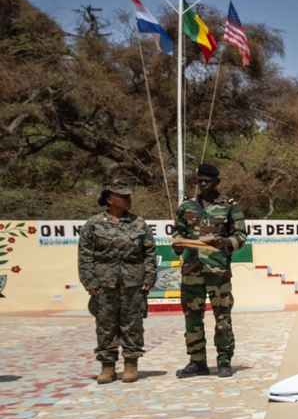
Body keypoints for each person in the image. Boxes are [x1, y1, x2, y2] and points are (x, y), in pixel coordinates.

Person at [171, 163, 247, 379]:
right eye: (200, 180)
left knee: (222, 317)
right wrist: (177, 244)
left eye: (208, 180)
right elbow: (178, 234)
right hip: (192, 271)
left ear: (217, 182)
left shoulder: (230, 207)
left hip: (218, 271)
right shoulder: (186, 207)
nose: (203, 184)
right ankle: (197, 362)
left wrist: (225, 241)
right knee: (192, 318)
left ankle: (224, 360)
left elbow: (241, 236)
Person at [78, 181, 157, 384]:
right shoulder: (93, 224)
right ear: (110, 199)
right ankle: (107, 367)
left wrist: (149, 277)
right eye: (123, 197)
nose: (128, 200)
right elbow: (85, 256)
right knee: (105, 325)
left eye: (129, 196)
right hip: (104, 283)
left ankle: (131, 364)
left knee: (133, 323)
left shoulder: (139, 223)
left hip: (133, 282)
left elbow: (149, 253)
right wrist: (89, 281)